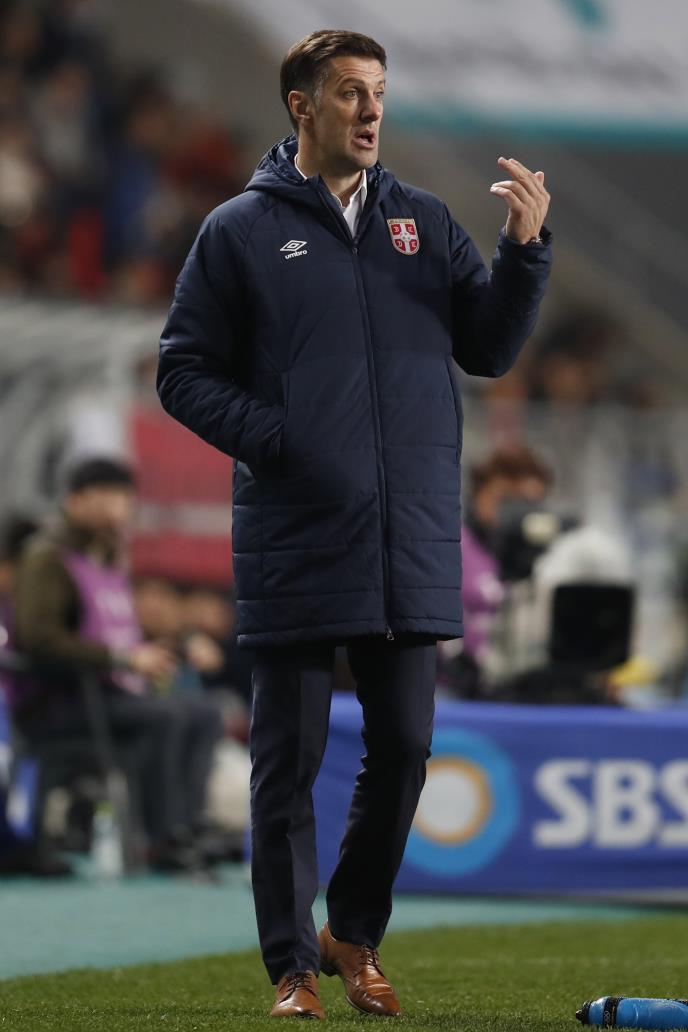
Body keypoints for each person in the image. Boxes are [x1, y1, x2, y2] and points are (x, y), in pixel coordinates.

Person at [157, 29, 552, 1019]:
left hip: (408, 531)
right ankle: (292, 967)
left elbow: (489, 349)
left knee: (407, 746)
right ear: (301, 105)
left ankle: (352, 935)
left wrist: (523, 252)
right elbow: (182, 371)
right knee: (286, 765)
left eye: (378, 91)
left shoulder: (424, 219)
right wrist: (279, 439)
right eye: (348, 93)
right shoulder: (238, 230)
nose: (371, 110)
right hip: (295, 527)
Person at [9, 457, 222, 872]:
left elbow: (124, 634)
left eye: (124, 495)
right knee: (168, 716)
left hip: (111, 696)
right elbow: (38, 639)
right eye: (105, 494)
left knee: (205, 713)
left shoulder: (108, 560)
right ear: (75, 501)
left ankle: (189, 826)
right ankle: (160, 839)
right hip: (60, 702)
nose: (118, 505)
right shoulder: (47, 559)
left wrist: (181, 644)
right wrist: (122, 658)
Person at [439, 446, 554, 695]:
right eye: (507, 500)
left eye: (530, 503)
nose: (516, 513)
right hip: (453, 690)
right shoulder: (452, 545)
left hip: (525, 690)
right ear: (480, 494)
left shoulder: (551, 555)